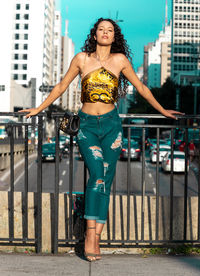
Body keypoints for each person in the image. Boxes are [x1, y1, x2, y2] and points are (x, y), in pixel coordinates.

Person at [20, 18, 183, 261]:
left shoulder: (120, 61)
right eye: (101, 29)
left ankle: (95, 235)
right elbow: (61, 86)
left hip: (112, 126)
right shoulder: (81, 59)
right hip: (87, 125)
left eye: (110, 30)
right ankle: (90, 236)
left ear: (114, 36)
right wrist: (38, 108)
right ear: (94, 34)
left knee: (105, 179)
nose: (105, 33)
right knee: (96, 174)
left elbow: (141, 88)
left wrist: (163, 111)